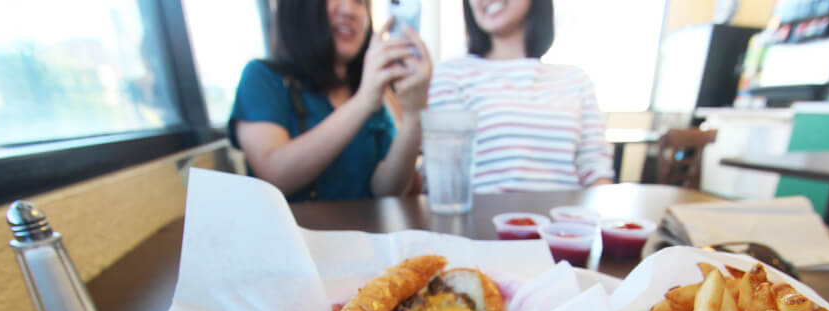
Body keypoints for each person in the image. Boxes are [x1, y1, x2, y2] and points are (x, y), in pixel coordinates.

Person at [228, 0, 431, 202]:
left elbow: (386, 190)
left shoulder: (370, 88)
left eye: (359, 2)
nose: (349, 10)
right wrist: (364, 101)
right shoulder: (262, 77)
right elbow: (274, 175)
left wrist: (414, 114)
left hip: (365, 232)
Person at [428, 0, 614, 193]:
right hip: (484, 220)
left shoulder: (576, 79)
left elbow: (596, 170)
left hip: (565, 220)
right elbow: (445, 178)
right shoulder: (451, 74)